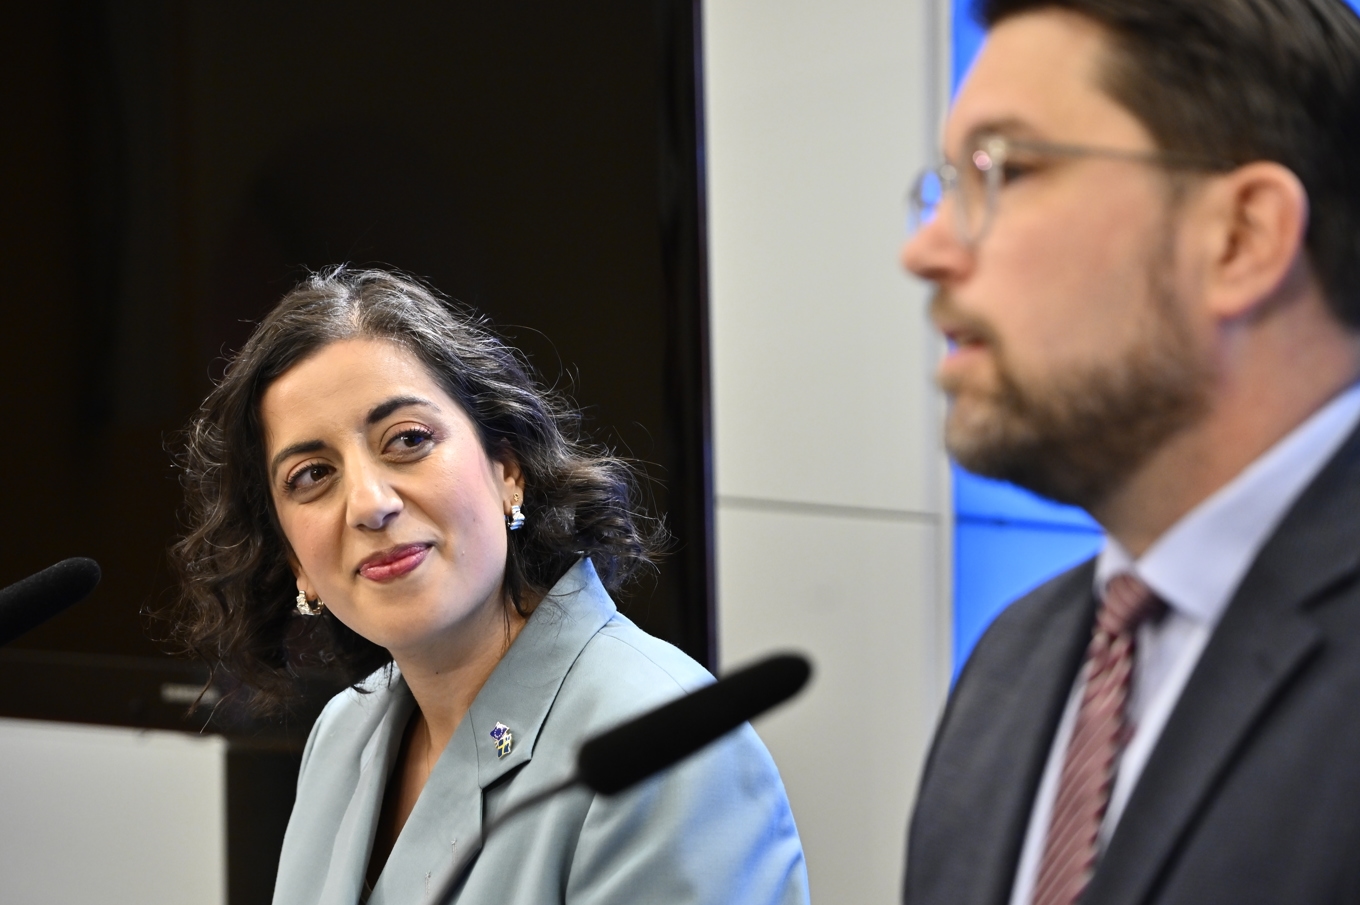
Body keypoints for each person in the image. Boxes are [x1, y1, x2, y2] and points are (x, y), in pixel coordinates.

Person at [899, 1, 1360, 904]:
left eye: (1009, 169)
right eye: (948, 180)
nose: (928, 249)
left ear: (1241, 238)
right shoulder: (1013, 664)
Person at [168, 267, 809, 905]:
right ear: (295, 561)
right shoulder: (346, 733)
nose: (368, 503)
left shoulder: (666, 748)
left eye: (408, 440)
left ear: (508, 470)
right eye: (311, 476)